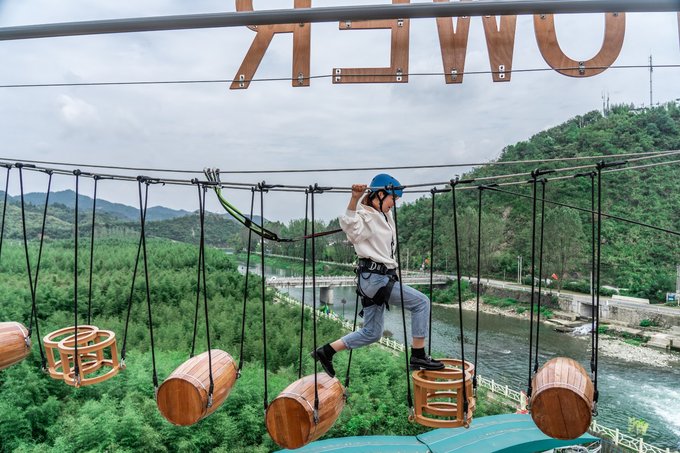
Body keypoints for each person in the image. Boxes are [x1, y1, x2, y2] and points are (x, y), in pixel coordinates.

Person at [311, 173, 444, 377]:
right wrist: (354, 199)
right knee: (421, 303)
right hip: (376, 280)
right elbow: (351, 228)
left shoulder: (384, 215)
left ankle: (326, 351)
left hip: (376, 280)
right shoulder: (365, 216)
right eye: (393, 198)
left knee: (372, 333)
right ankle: (418, 354)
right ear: (380, 195)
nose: (395, 203)